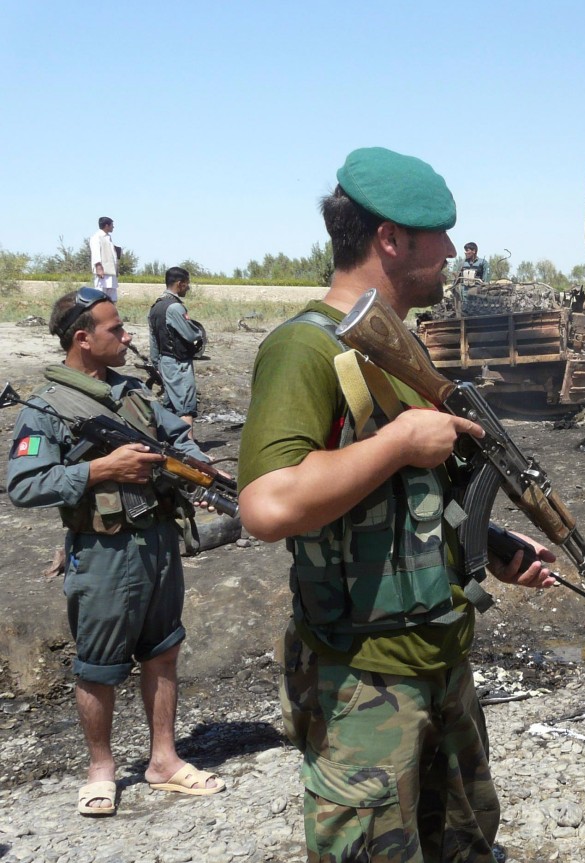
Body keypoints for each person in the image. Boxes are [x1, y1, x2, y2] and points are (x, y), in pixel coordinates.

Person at [237, 146, 556, 863]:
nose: (449, 251)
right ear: (388, 238)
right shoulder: (304, 350)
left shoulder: (396, 344)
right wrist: (401, 441)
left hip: (441, 656)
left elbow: (420, 491)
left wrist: (497, 548)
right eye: (434, 236)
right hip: (364, 676)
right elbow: (265, 505)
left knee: (469, 841)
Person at [5, 288, 225, 818]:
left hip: (155, 541)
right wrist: (101, 470)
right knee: (98, 667)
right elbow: (24, 485)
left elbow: (177, 437)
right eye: (115, 329)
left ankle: (164, 761)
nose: (127, 335)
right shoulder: (45, 408)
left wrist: (204, 471)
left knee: (163, 649)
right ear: (83, 339)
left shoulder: (132, 393)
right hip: (101, 553)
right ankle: (100, 770)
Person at [148, 267, 206, 437]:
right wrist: (199, 333)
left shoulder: (155, 307)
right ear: (180, 284)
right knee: (186, 407)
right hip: (179, 363)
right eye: (187, 284)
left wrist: (156, 364)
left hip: (165, 363)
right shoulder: (175, 308)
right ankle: (192, 451)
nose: (188, 287)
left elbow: (153, 341)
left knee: (170, 405)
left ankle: (170, 444)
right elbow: (191, 335)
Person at [90, 217, 120, 302]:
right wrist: (98, 267)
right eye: (112, 225)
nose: (113, 227)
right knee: (100, 296)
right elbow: (96, 253)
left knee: (112, 298)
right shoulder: (97, 237)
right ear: (107, 225)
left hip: (111, 272)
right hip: (103, 272)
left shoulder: (108, 238)